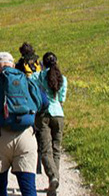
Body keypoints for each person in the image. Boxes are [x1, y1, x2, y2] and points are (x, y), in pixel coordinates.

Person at [0, 52, 49, 196]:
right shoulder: (26, 79)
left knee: (0, 185)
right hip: (25, 135)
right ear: (14, 65)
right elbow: (44, 102)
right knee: (28, 188)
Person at [34, 52, 68, 196]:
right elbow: (62, 98)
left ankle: (52, 177)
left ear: (43, 63)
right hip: (59, 114)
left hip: (43, 114)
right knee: (56, 149)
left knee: (45, 149)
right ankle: (53, 183)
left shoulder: (39, 76)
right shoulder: (62, 78)